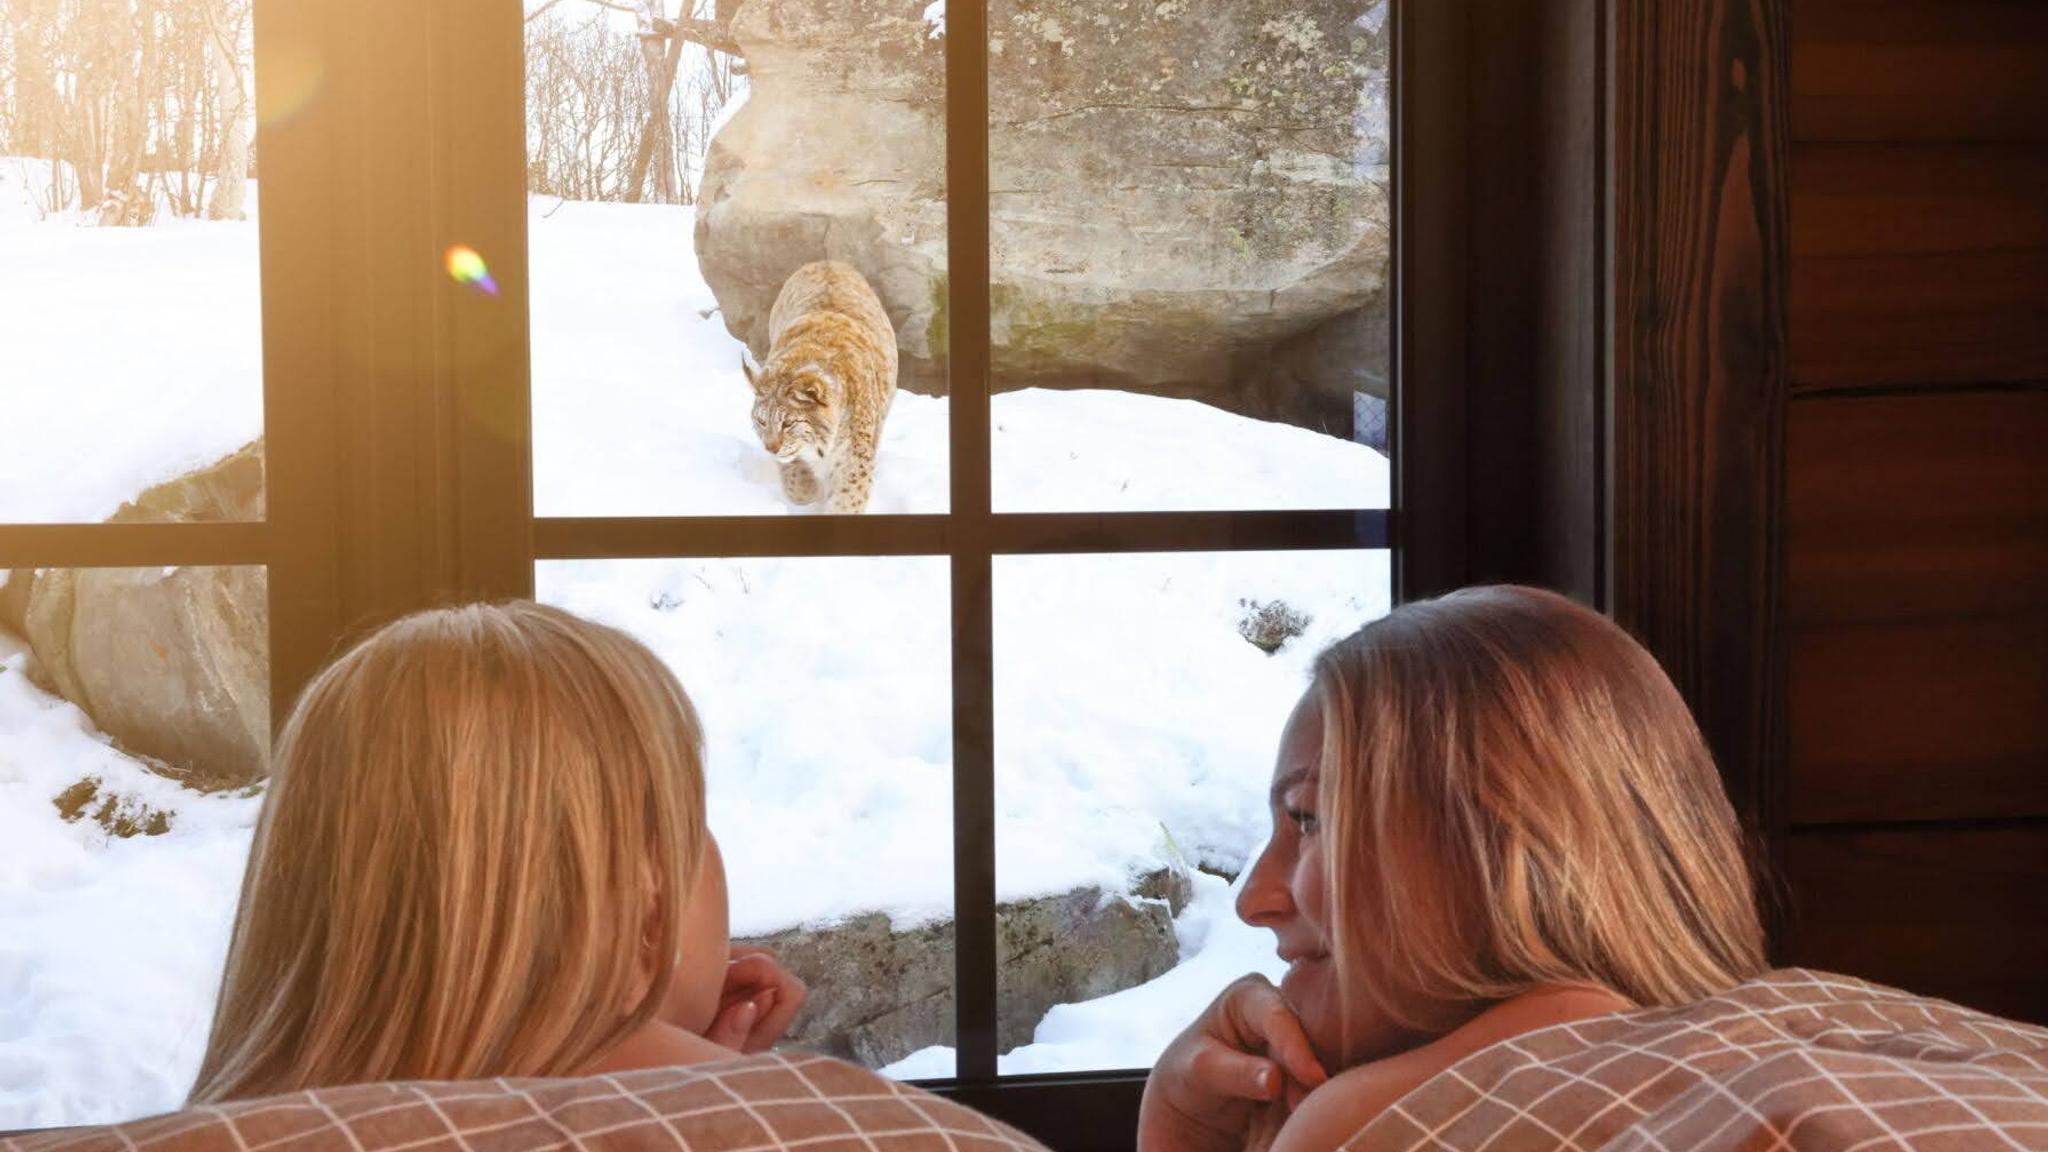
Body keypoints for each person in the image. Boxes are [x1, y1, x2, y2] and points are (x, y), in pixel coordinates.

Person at [1141, 586, 1767, 1152]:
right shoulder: (1783, 1056)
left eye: (1309, 820)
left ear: (1504, 844)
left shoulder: (1372, 1125)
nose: (1254, 901)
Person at [189, 602, 804, 1102]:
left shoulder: (207, 1133)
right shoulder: (835, 1125)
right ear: (649, 892)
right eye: (686, 820)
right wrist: (718, 1097)